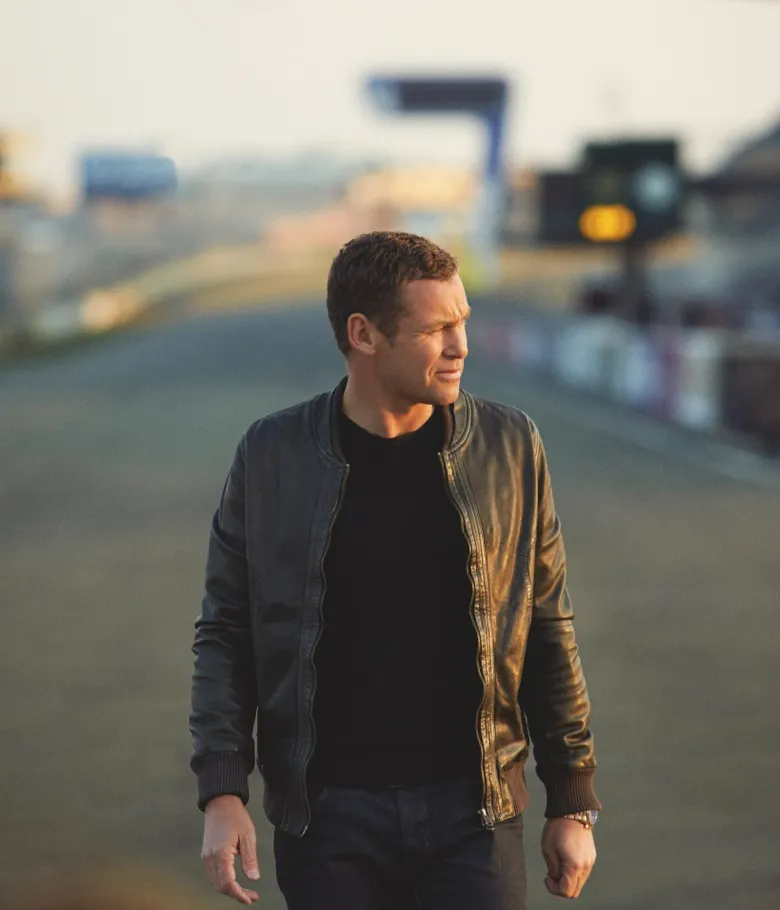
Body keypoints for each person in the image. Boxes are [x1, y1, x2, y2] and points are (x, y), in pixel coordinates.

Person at [190, 231, 601, 909]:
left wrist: (573, 799)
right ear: (364, 334)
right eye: (437, 329)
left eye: (462, 321)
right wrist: (222, 791)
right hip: (328, 822)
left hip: (476, 815)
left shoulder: (510, 445)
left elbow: (547, 624)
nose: (461, 345)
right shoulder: (271, 455)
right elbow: (226, 631)